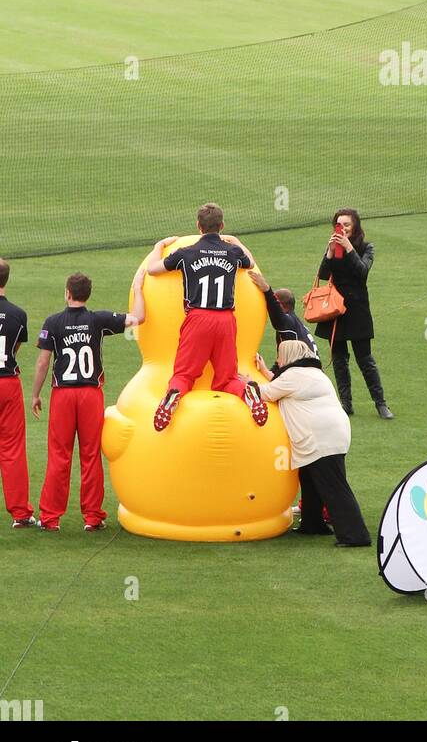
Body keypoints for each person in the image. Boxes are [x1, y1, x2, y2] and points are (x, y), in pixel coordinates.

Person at [32, 269, 146, 531]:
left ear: (68, 293)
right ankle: (93, 517)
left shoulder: (53, 322)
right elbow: (139, 317)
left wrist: (36, 394)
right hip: (90, 395)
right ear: (87, 294)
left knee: (59, 456)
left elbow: (42, 362)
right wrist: (139, 287)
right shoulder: (98, 320)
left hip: (62, 395)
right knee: (91, 455)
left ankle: (50, 518)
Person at [146, 204, 267, 431]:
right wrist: (237, 241)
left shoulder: (186, 253)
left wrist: (158, 246)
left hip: (198, 318)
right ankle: (246, 391)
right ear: (221, 226)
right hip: (226, 321)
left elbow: (153, 269)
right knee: (228, 378)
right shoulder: (231, 252)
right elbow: (250, 262)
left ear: (198, 226)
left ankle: (173, 395)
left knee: (184, 375)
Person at [251, 338, 370, 549]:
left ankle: (355, 535)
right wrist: (264, 371)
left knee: (334, 486)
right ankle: (313, 523)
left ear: (288, 356)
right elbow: (281, 385)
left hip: (321, 438)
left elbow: (267, 392)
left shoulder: (295, 376)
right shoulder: (311, 373)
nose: (277, 360)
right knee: (310, 480)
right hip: (332, 434)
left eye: (280, 356)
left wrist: (244, 381)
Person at [317, 208, 393, 419]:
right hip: (335, 310)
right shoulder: (332, 246)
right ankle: (346, 404)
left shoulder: (367, 248)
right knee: (340, 360)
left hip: (357, 310)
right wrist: (330, 252)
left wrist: (348, 247)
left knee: (365, 359)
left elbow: (362, 272)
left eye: (347, 225)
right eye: (339, 225)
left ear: (355, 226)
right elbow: (323, 275)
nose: (342, 229)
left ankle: (381, 404)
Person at [0, 258, 35, 528]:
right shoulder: (18, 314)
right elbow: (14, 350)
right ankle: (21, 514)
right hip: (8, 384)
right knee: (12, 449)